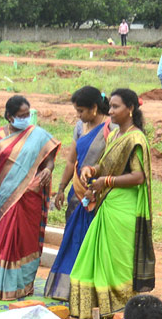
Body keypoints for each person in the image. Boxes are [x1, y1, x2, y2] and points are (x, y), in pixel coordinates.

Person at [67, 88, 155, 319]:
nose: (111, 111)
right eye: (111, 107)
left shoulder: (136, 138)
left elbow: (139, 177)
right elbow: (105, 167)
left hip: (125, 205)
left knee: (118, 259)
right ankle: (100, 305)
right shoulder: (115, 136)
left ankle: (122, 306)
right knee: (97, 255)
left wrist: (104, 181)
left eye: (116, 107)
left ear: (131, 109)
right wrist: (91, 169)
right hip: (110, 201)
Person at [0, 95, 60, 300]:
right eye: (21, 115)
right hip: (4, 197)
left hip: (29, 198)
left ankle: (24, 285)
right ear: (9, 116)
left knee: (26, 239)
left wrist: (48, 170)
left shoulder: (38, 134)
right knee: (4, 238)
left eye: (27, 114)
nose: (25, 118)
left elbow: (49, 158)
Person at [46, 86, 114, 298]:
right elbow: (70, 160)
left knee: (93, 243)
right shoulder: (79, 127)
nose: (79, 115)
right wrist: (60, 188)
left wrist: (99, 186)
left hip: (99, 193)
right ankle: (68, 289)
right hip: (77, 192)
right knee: (73, 239)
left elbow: (112, 163)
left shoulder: (111, 129)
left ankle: (92, 292)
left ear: (94, 108)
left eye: (82, 111)